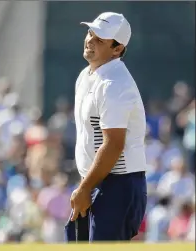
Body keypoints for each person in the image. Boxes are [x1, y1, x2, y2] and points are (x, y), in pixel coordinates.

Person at [65, 12, 147, 242]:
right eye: (90, 32)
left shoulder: (115, 84)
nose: (90, 40)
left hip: (118, 184)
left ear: (117, 49)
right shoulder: (86, 76)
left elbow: (113, 145)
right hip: (94, 181)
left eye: (100, 39)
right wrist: (86, 186)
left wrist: (84, 188)